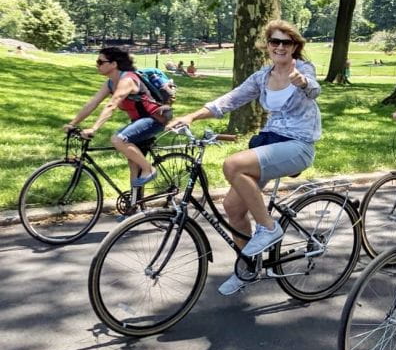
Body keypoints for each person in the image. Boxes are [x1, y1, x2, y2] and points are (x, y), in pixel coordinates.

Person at [167, 20, 321, 296]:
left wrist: (302, 81)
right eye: (275, 42)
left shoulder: (303, 70)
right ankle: (248, 268)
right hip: (270, 144)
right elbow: (229, 100)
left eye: (286, 43)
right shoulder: (262, 76)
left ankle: (268, 228)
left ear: (295, 47)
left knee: (233, 164)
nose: (280, 47)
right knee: (233, 208)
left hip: (298, 145)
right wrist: (191, 115)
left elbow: (313, 89)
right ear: (268, 46)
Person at [63, 47, 164, 187]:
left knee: (118, 139)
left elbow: (112, 104)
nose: (97, 65)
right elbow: (92, 103)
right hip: (139, 121)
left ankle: (149, 169)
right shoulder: (110, 83)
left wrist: (94, 128)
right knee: (133, 163)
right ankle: (135, 204)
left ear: (114, 64)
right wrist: (72, 123)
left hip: (154, 119)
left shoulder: (128, 79)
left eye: (100, 61)